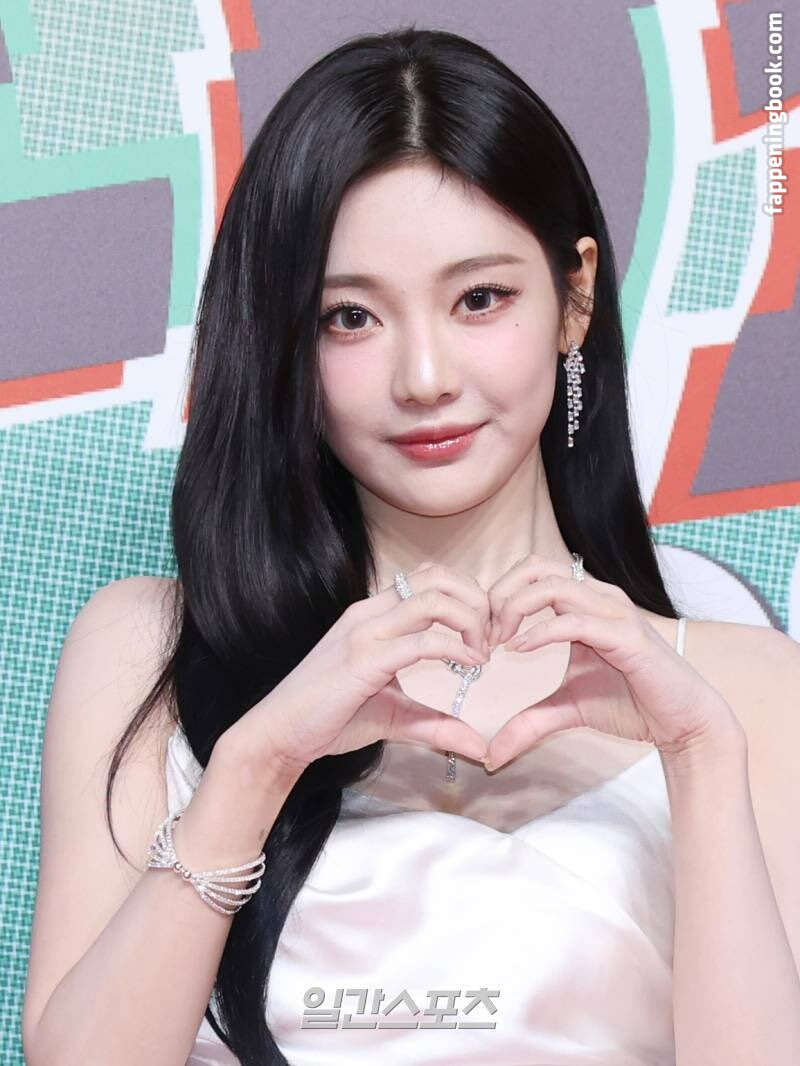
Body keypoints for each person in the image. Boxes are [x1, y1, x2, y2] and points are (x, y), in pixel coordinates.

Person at [23, 24, 794, 1066]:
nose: (423, 377)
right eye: (349, 318)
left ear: (572, 299)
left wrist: (696, 755)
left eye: (479, 299)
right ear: (284, 339)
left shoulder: (744, 691)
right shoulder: (147, 650)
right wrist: (259, 761)